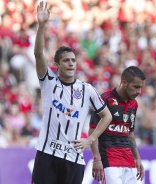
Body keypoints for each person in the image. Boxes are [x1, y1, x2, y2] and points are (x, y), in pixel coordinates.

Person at [32, 2, 112, 184]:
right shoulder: (48, 82)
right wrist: (42, 26)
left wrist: (90, 139)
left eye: (73, 60)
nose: (71, 63)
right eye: (66, 60)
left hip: (73, 158)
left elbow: (106, 116)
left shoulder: (87, 89)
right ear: (57, 65)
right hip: (47, 153)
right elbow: (38, 54)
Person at [89, 66, 145, 184]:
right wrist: (96, 158)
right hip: (109, 159)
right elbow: (92, 130)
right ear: (124, 83)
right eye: (136, 87)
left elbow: (129, 132)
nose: (139, 92)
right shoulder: (105, 99)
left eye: (141, 88)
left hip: (129, 160)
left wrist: (137, 158)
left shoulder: (134, 104)